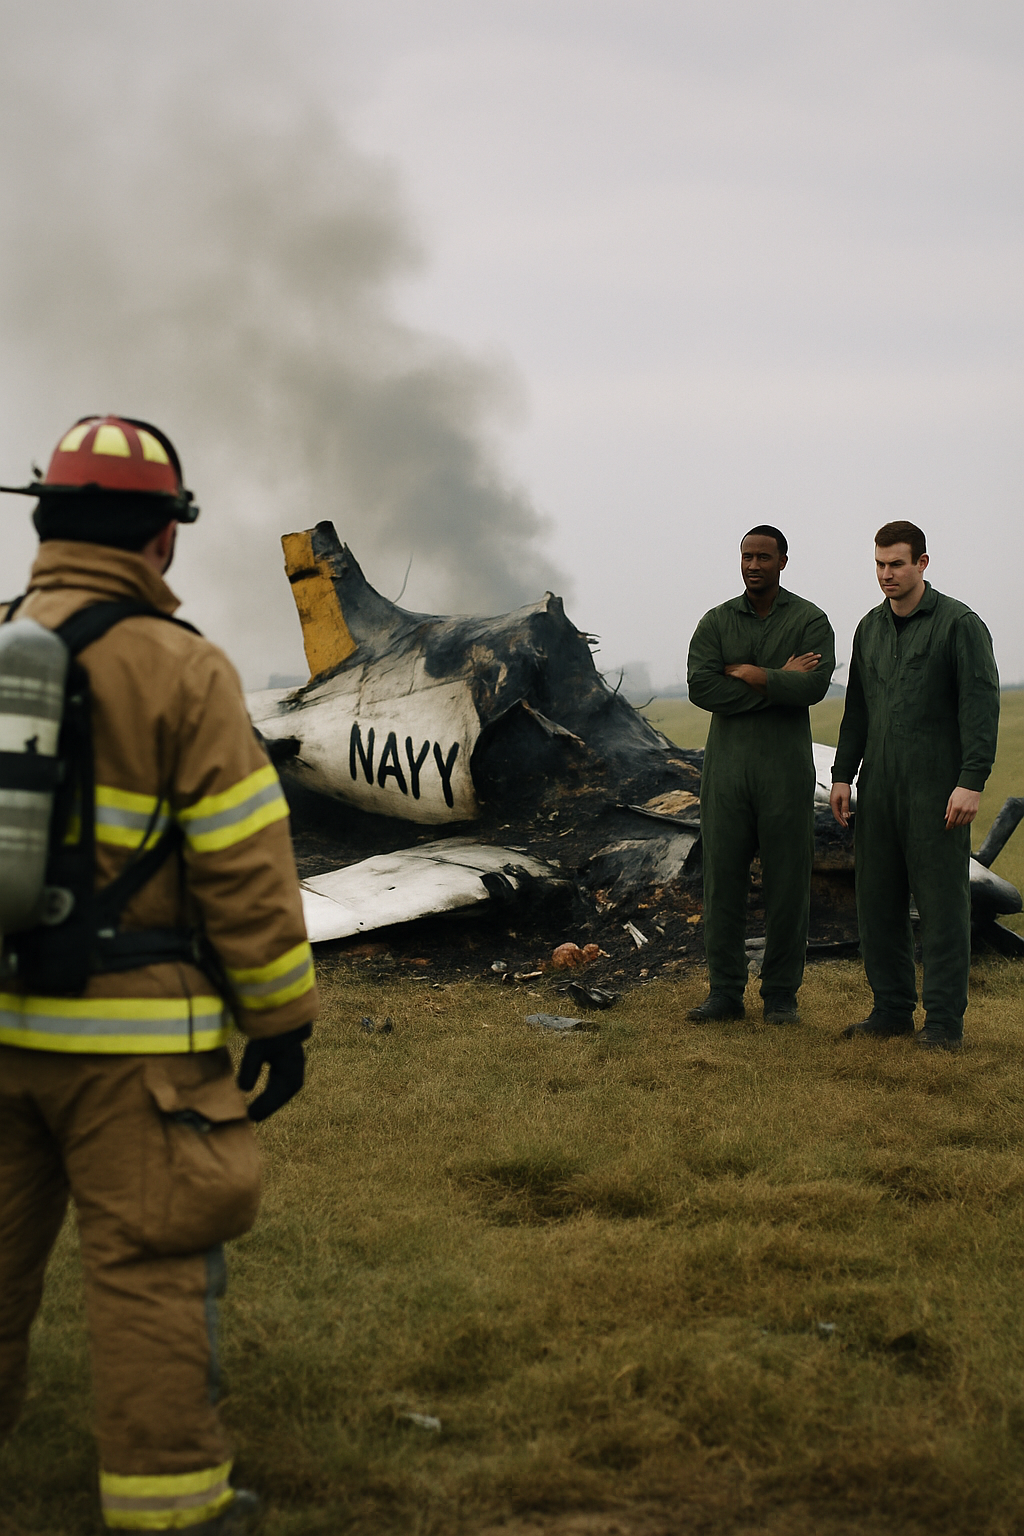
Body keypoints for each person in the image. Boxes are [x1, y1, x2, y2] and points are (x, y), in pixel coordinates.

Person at [0, 416, 318, 1533]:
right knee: (147, 1272)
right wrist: (280, 1022)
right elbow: (243, 868)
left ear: (43, 524)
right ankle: (173, 1511)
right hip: (130, 1053)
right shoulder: (181, 668)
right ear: (161, 542)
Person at [830, 521, 999, 1051]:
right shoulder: (868, 628)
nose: (886, 575)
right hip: (877, 788)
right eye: (879, 565)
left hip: (937, 790)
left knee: (943, 908)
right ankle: (891, 1009)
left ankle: (945, 1023)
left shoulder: (958, 624)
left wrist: (970, 782)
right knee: (877, 903)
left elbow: (980, 706)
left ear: (922, 563)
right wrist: (841, 774)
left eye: (897, 564)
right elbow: (856, 708)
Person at [686, 526, 835, 1023]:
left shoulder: (810, 619)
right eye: (746, 556)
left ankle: (780, 997)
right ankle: (725, 993)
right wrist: (776, 680)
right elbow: (701, 688)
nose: (753, 565)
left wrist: (750, 673)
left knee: (788, 885)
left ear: (783, 561)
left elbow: (813, 685)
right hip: (726, 773)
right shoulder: (716, 621)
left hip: (785, 772)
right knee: (721, 883)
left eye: (764, 557)